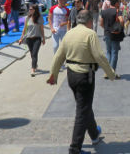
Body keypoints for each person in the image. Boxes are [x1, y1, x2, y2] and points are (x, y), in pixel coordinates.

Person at [47, 10, 115, 154]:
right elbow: (99, 56)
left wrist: (53, 74)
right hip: (85, 75)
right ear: (89, 21)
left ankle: (94, 135)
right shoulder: (90, 34)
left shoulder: (69, 33)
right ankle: (74, 148)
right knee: (82, 110)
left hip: (71, 75)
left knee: (84, 105)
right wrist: (110, 73)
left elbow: (59, 55)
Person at [100, 0, 123, 79]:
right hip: (115, 34)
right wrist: (119, 28)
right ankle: (112, 72)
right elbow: (121, 20)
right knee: (114, 53)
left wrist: (107, 29)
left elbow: (101, 24)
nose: (120, 4)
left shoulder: (104, 11)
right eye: (119, 2)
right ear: (116, 3)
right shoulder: (117, 11)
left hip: (107, 34)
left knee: (108, 52)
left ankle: (107, 72)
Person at [20, 4, 45, 77]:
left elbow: (42, 29)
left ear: (35, 10)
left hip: (37, 38)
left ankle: (33, 69)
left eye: (31, 9)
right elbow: (24, 29)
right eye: (29, 9)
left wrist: (43, 38)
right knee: (32, 54)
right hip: (29, 39)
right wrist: (21, 38)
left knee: (34, 53)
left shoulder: (39, 18)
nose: (30, 10)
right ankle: (35, 64)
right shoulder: (27, 18)